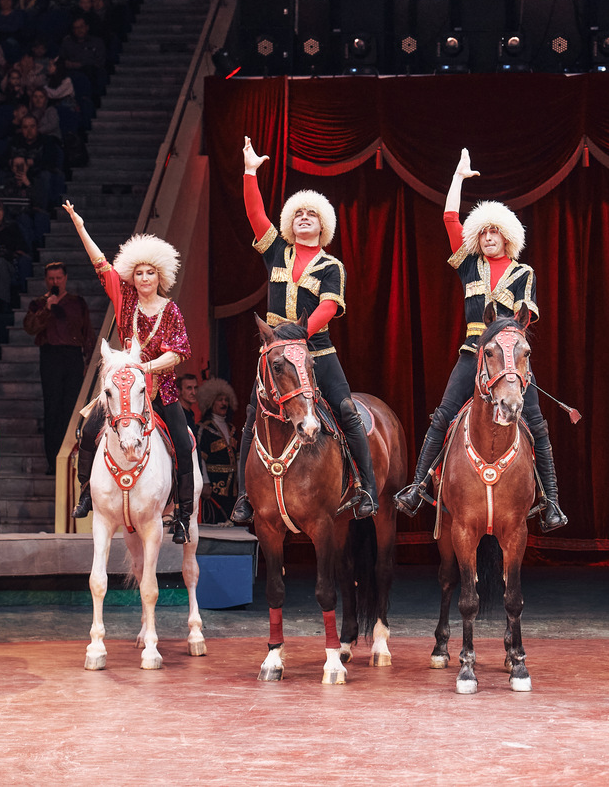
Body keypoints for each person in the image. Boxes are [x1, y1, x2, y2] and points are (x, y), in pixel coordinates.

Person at [393, 150, 566, 531]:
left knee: (537, 423)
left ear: (507, 237)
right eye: (483, 233)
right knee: (442, 417)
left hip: (512, 359)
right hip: (473, 354)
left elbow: (524, 319)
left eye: (494, 232)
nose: (488, 238)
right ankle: (418, 485)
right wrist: (457, 178)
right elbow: (449, 218)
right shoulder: (469, 265)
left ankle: (551, 501)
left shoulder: (524, 273)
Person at [232, 136, 378, 521]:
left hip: (318, 352)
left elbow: (329, 307)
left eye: (311, 214)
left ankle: (368, 489)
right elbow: (254, 215)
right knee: (252, 415)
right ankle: (244, 497)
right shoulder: (277, 251)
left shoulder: (332, 266)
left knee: (346, 410)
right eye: (298, 214)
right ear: (290, 222)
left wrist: (295, 336)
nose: (304, 218)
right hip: (277, 356)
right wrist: (249, 172)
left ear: (323, 225)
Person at [63, 200, 195, 544]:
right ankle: (86, 493)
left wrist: (145, 366)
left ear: (160, 276)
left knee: (183, 443)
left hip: (160, 389)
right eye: (139, 273)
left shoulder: (171, 310)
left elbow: (178, 353)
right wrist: (80, 226)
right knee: (88, 428)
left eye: (150, 273)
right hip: (124, 386)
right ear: (132, 277)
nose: (144, 278)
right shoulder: (125, 299)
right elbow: (99, 263)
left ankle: (182, 515)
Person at [22, 261, 95, 474]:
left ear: (65, 278)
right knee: (53, 408)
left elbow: (87, 333)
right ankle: (53, 461)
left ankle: (73, 457)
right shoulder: (39, 304)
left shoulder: (77, 302)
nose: (55, 282)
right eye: (51, 278)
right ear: (46, 280)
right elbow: (30, 328)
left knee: (71, 408)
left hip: (72, 356)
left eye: (59, 278)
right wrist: (47, 308)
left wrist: (89, 361)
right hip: (51, 356)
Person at [196, 378, 239, 523]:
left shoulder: (232, 429)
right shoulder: (203, 429)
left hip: (232, 488)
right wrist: (205, 483)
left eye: (226, 400)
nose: (224, 403)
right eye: (220, 400)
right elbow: (200, 458)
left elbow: (238, 458)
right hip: (213, 488)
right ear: (210, 402)